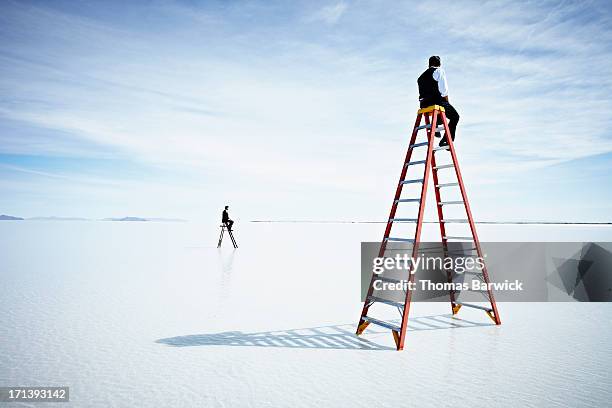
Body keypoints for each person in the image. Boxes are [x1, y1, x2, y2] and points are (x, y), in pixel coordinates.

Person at [417, 55, 460, 147]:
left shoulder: (420, 77)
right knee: (455, 117)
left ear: (429, 64)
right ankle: (446, 140)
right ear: (439, 64)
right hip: (436, 102)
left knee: (441, 109)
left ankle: (436, 123)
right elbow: (444, 91)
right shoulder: (439, 71)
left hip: (423, 104)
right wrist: (448, 102)